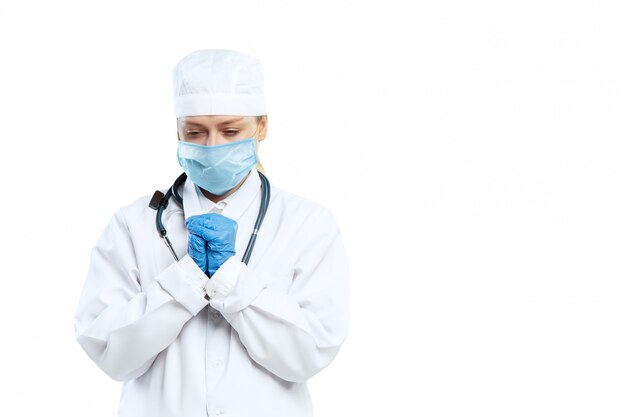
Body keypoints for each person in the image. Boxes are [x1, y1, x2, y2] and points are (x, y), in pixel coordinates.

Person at [73, 49, 350, 417]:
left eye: (231, 131)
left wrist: (231, 280)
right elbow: (108, 350)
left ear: (262, 127)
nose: (212, 146)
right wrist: (185, 280)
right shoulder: (133, 224)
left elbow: (311, 352)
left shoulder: (308, 224)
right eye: (195, 132)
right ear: (177, 130)